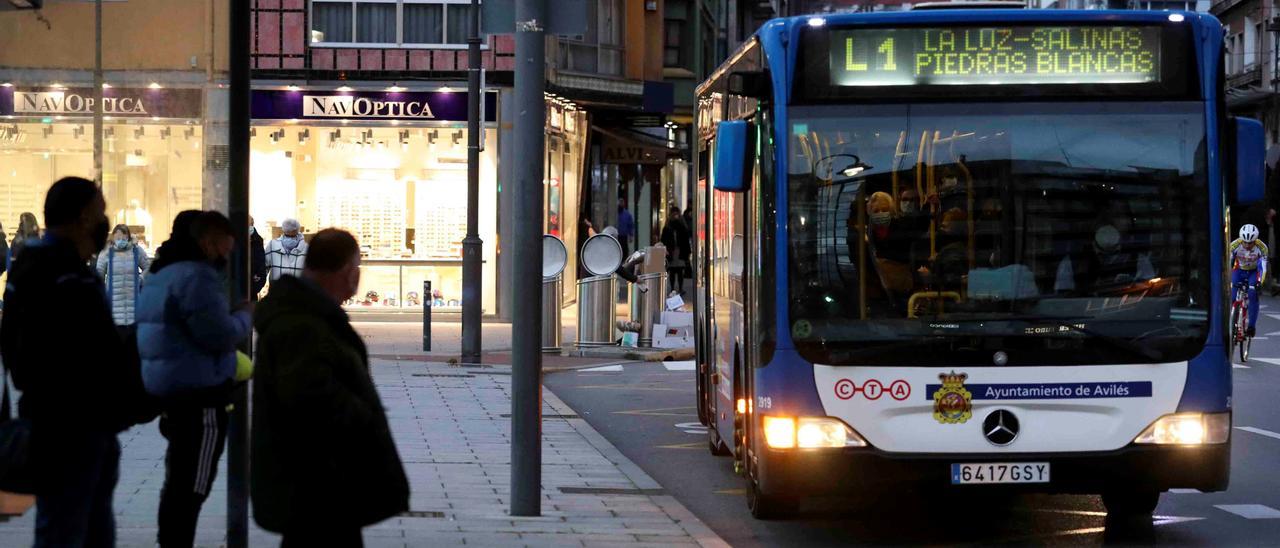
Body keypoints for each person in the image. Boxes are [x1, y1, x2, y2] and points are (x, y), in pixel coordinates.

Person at [252, 228, 408, 546]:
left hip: (319, 487)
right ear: (350, 272)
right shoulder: (302, 323)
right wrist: (362, 415)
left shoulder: (306, 315)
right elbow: (309, 396)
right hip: (318, 487)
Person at [1, 177, 134, 546]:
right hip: (72, 427)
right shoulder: (63, 274)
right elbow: (87, 351)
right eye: (100, 213)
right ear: (82, 217)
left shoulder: (40, 266)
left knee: (80, 528)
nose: (105, 221)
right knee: (67, 530)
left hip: (72, 422)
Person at [137, 211, 252, 547]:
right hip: (201, 397)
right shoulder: (197, 278)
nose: (227, 258)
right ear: (208, 243)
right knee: (192, 489)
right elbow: (218, 334)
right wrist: (245, 316)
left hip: (173, 392)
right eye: (225, 250)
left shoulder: (161, 273)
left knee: (178, 483)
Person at [96, 224, 151, 328]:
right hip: (113, 306)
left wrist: (141, 278)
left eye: (124, 238)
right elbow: (99, 275)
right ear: (113, 238)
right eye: (118, 238)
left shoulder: (137, 251)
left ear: (128, 237)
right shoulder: (106, 253)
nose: (121, 240)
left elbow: (148, 268)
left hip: (134, 308)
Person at [1230, 223, 1269, 337]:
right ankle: (1232, 320)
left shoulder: (1262, 248)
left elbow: (1263, 267)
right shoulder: (1234, 245)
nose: (1247, 245)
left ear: (1255, 240)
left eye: (1250, 242)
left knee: (1252, 293)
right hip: (1238, 270)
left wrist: (1259, 283)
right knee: (1232, 295)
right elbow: (1228, 264)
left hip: (1253, 271)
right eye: (1245, 242)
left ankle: (1251, 326)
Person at [266, 217, 307, 283]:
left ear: (297, 232)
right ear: (284, 231)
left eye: (293, 236)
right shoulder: (272, 245)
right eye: (287, 235)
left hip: (298, 290)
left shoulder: (306, 248)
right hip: (277, 289)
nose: (290, 239)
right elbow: (264, 268)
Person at [661, 207, 690, 294]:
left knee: (680, 270)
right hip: (671, 251)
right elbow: (663, 240)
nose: (675, 216)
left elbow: (686, 241)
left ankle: (680, 288)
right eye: (673, 214)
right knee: (672, 270)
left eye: (676, 214)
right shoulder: (667, 227)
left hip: (680, 251)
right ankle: (673, 288)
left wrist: (687, 253)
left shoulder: (682, 227)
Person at [250, 216, 268, 299]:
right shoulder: (235, 239)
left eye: (249, 224)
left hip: (252, 290)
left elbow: (261, 265)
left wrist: (256, 286)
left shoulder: (257, 240)